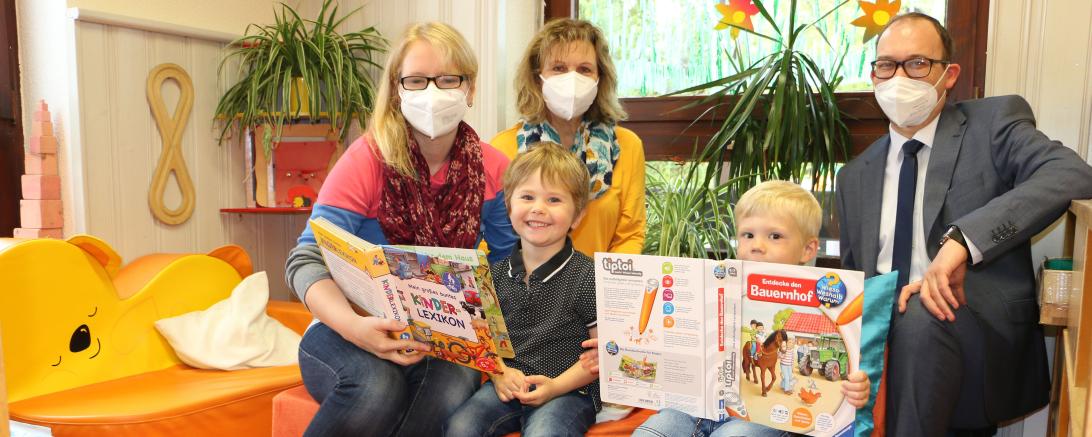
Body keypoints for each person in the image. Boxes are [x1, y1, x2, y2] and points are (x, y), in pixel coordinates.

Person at [835, 12, 1092, 436]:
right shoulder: (855, 175)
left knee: (920, 316)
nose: (899, 77)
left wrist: (962, 241)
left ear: (948, 74)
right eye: (886, 65)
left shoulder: (992, 124)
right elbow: (851, 281)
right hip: (884, 332)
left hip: (971, 324)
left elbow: (1071, 174)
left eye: (917, 63)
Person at [284, 22, 517, 437]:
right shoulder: (367, 160)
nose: (432, 92)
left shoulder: (494, 169)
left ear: (471, 88)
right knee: (377, 387)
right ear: (397, 89)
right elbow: (305, 258)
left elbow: (509, 264)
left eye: (448, 79)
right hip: (345, 329)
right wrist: (356, 328)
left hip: (444, 339)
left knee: (452, 389)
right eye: (416, 80)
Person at [634, 181, 871, 437]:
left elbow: (852, 378)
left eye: (775, 236)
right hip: (692, 407)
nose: (757, 244)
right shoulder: (716, 284)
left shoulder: (824, 301)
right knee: (652, 431)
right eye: (748, 235)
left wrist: (857, 389)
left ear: (808, 248)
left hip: (762, 420)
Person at [444, 142, 599, 436]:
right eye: (527, 196)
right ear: (509, 206)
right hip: (507, 384)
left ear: (577, 216)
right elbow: (481, 338)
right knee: (459, 427)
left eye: (554, 200)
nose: (538, 208)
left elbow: (601, 356)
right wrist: (498, 372)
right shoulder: (491, 274)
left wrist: (555, 386)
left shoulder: (588, 276)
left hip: (568, 391)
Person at [491, 18, 646, 257]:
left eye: (584, 69)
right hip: (524, 287)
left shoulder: (627, 146)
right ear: (536, 77)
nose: (572, 79)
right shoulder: (502, 148)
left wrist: (603, 287)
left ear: (599, 79)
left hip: (599, 288)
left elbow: (630, 236)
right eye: (559, 68)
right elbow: (494, 237)